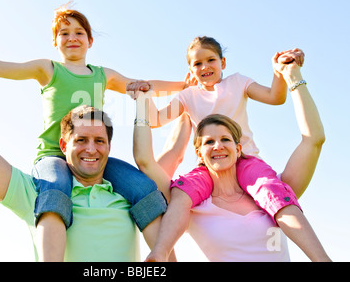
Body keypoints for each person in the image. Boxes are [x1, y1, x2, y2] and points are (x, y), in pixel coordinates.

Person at [0, 4, 188, 261]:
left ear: (90, 41)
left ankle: (162, 257)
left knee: (143, 188)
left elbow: (144, 86)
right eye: (64, 33)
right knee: (55, 191)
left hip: (91, 156)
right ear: (55, 42)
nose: (72, 38)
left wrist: (185, 87)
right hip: (54, 156)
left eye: (79, 32)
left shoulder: (104, 75)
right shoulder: (49, 69)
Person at [132, 52, 331, 261]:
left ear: (238, 149)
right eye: (209, 141)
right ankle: (160, 252)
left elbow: (314, 138)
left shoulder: (273, 191)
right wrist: (142, 101)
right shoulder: (191, 202)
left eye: (225, 140)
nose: (218, 146)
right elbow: (147, 159)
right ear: (199, 153)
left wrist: (292, 75)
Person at [134, 36, 307, 227]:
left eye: (210, 60)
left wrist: (278, 72)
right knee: (181, 194)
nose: (205, 67)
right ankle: (161, 252)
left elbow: (275, 97)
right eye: (197, 63)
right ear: (191, 70)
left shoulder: (238, 82)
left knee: (269, 189)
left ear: (222, 62)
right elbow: (157, 119)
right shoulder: (188, 96)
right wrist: (145, 95)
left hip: (245, 159)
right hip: (209, 167)